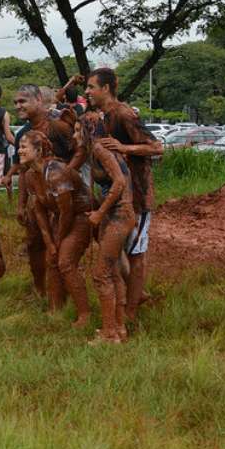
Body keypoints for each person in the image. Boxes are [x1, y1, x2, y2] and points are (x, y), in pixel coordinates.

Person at [85, 68, 163, 323]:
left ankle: (131, 312)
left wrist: (125, 147)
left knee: (135, 254)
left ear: (105, 89)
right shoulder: (102, 116)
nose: (87, 91)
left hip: (137, 197)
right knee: (115, 249)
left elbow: (156, 147)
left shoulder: (123, 113)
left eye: (91, 87)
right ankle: (135, 296)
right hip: (116, 196)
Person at [17, 130, 92, 326]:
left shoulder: (56, 172)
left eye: (24, 147)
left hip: (82, 216)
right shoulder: (30, 177)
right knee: (51, 258)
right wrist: (49, 242)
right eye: (19, 147)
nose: (19, 151)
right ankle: (55, 309)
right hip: (61, 217)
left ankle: (85, 315)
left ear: (39, 150)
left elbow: (68, 212)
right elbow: (39, 211)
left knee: (65, 261)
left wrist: (58, 241)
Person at [79, 111, 136, 344]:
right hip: (113, 215)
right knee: (112, 272)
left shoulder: (100, 150)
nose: (74, 135)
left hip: (119, 216)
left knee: (100, 274)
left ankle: (109, 333)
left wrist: (100, 213)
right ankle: (119, 328)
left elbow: (120, 182)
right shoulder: (95, 151)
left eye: (76, 130)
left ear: (88, 131)